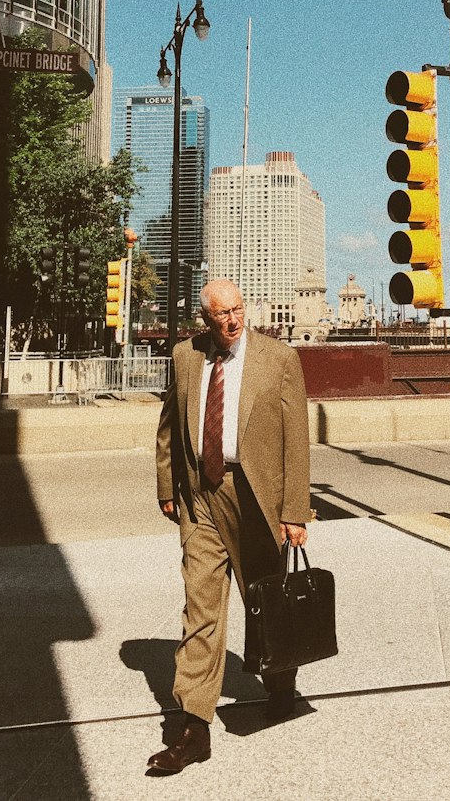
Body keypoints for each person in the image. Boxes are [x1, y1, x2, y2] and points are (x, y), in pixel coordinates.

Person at [148, 278, 312, 775]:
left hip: (254, 497)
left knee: (263, 600)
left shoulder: (278, 359)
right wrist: (165, 486)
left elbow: (296, 438)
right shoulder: (185, 356)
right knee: (200, 608)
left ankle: (281, 685)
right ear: (206, 319)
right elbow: (169, 425)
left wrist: (295, 511)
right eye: (222, 314)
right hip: (199, 495)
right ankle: (194, 726)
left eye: (238, 309)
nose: (233, 320)